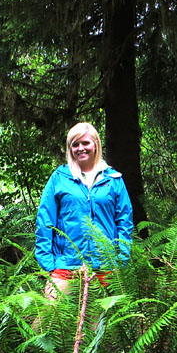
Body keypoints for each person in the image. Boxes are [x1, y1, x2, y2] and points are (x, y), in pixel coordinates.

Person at [35, 122, 133, 295]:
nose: (81, 148)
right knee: (48, 318)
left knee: (97, 322)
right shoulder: (59, 178)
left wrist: (121, 260)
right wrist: (48, 263)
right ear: (69, 148)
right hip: (66, 265)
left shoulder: (113, 179)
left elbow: (124, 222)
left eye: (85, 143)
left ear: (95, 144)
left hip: (105, 266)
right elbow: (45, 221)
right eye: (75, 144)